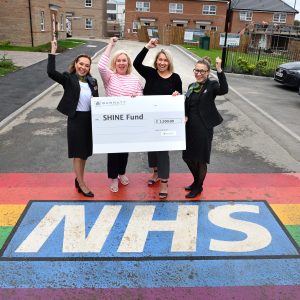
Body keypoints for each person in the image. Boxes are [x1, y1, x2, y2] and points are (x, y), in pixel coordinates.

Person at [47, 39, 98, 197]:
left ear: (89, 68)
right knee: (77, 152)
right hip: (76, 120)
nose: (83, 67)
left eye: (86, 65)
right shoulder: (68, 79)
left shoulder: (92, 81)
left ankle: (79, 178)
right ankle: (81, 183)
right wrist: (52, 52)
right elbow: (51, 72)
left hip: (88, 120)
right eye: (81, 64)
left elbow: (96, 101)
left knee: (84, 153)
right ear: (75, 64)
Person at [133, 38, 182, 199]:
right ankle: (155, 173)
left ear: (169, 62)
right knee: (151, 149)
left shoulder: (176, 78)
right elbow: (136, 63)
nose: (162, 63)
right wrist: (147, 47)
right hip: (149, 119)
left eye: (165, 60)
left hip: (165, 122)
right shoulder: (151, 73)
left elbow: (180, 100)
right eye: (160, 60)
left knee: (162, 152)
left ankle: (164, 183)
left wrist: (177, 95)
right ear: (156, 61)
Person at [98, 37, 143, 193]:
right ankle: (113, 178)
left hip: (128, 122)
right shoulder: (109, 77)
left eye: (124, 60)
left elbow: (140, 97)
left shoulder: (135, 79)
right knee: (114, 151)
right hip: (112, 122)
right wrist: (111, 45)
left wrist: (136, 99)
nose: (122, 63)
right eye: (119, 61)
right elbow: (101, 66)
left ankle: (122, 173)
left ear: (128, 63)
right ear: (114, 63)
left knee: (124, 150)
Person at [183, 57, 228, 198]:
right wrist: (184, 114)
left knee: (201, 159)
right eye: (196, 70)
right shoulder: (191, 86)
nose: (198, 73)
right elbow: (187, 104)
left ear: (208, 72)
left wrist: (219, 70)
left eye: (202, 71)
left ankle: (198, 186)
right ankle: (196, 181)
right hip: (189, 127)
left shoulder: (212, 85)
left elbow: (224, 90)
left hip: (204, 128)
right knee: (188, 157)